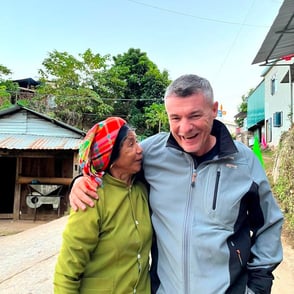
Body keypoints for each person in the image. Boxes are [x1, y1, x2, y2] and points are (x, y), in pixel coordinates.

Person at [69, 74, 284, 294]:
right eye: (175, 118)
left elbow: (269, 224)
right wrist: (79, 181)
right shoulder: (151, 153)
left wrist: (258, 285)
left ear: (213, 109)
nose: (185, 128)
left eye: (194, 115)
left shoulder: (244, 162)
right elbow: (113, 166)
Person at [54, 117, 152, 293]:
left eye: (136, 141)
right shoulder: (91, 197)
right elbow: (67, 272)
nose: (140, 149)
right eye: (130, 144)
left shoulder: (141, 190)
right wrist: (78, 181)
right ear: (110, 156)